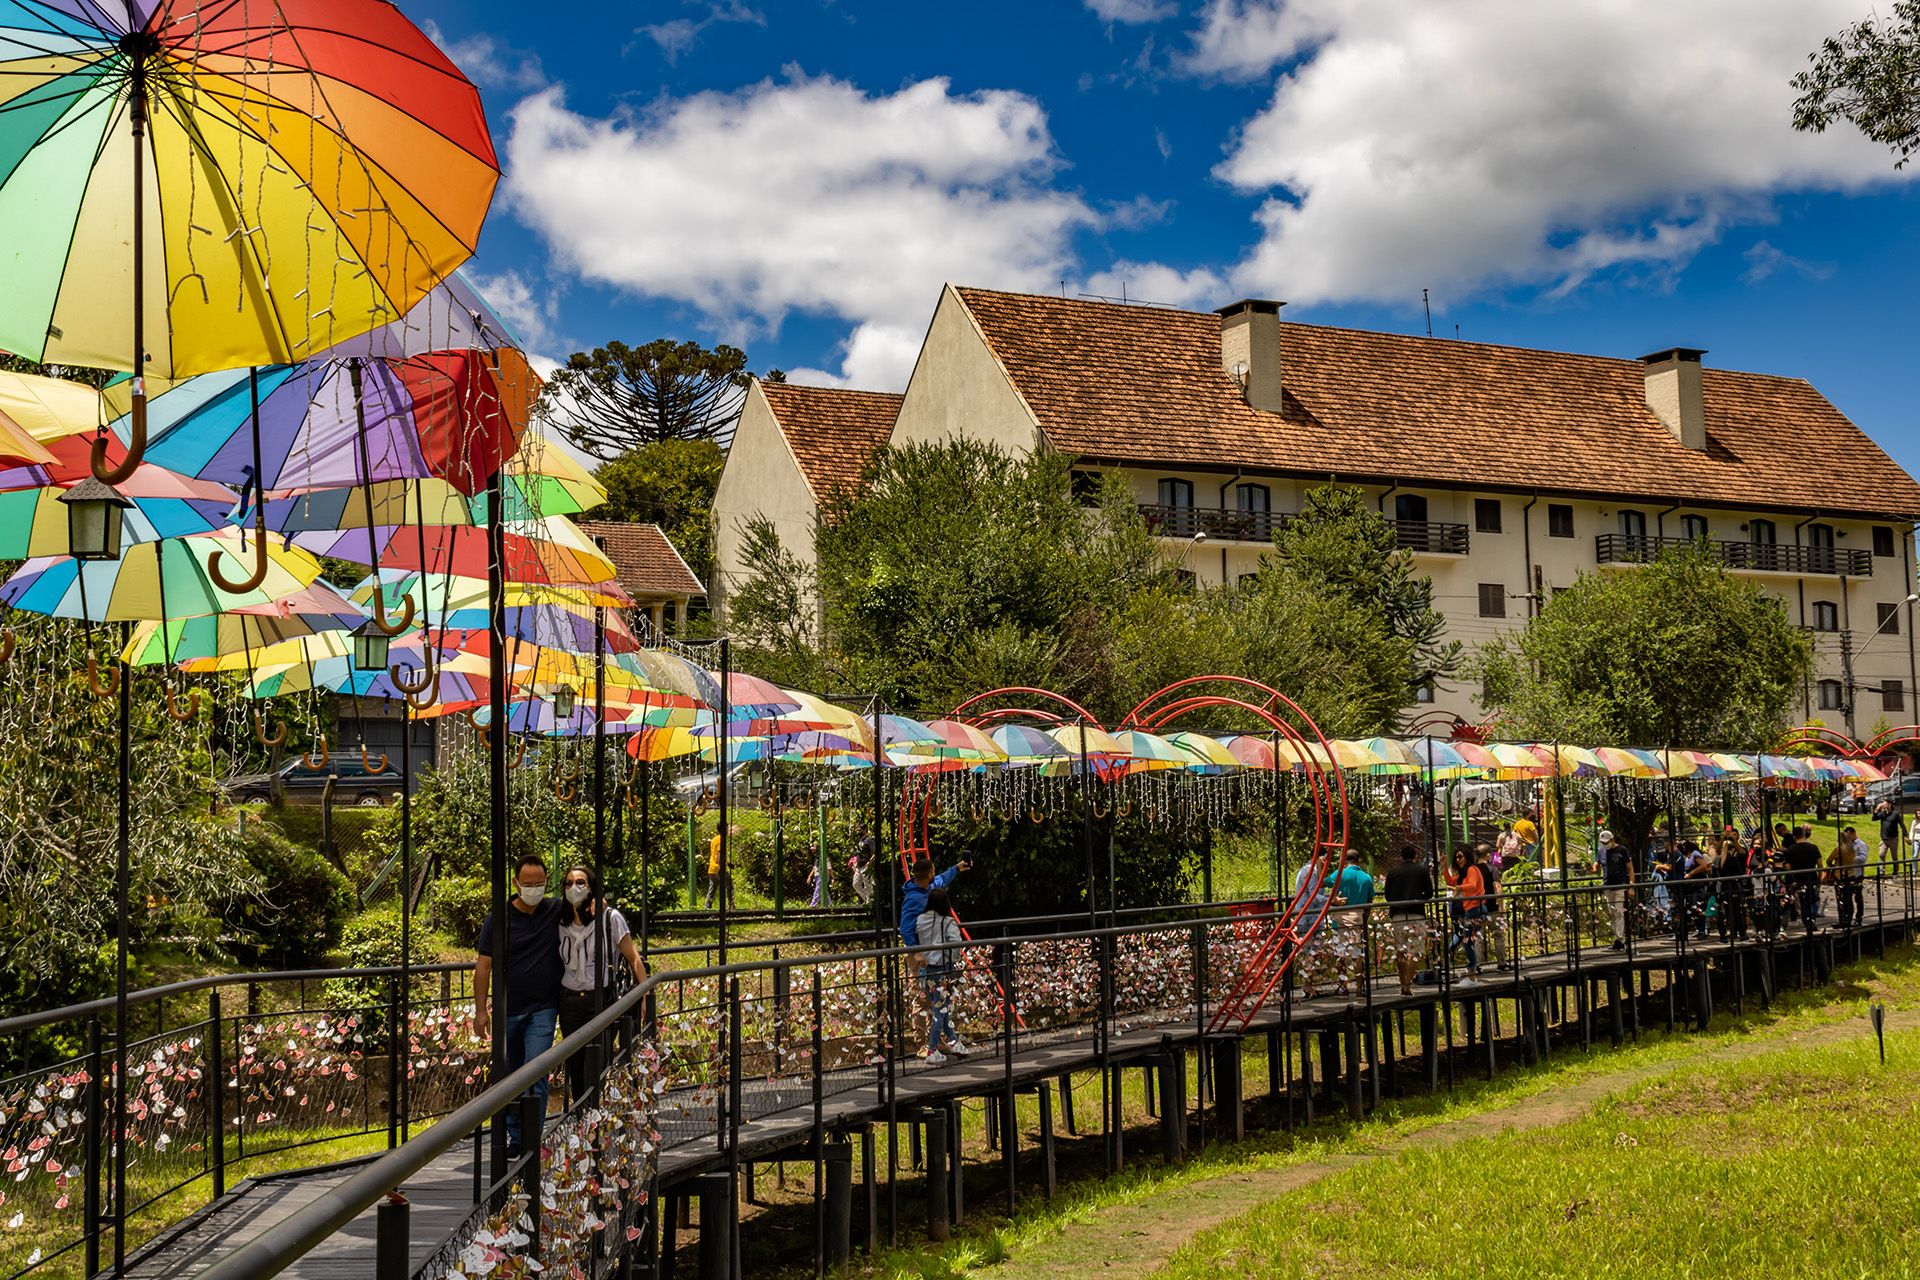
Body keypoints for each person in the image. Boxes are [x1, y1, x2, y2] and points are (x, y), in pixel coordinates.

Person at [473, 855, 564, 1156]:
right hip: (507, 1009)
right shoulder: (498, 920)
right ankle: (515, 1136)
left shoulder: (553, 910)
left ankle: (531, 1139)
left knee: (535, 1071)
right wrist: (481, 1010)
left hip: (543, 1007)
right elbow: (483, 967)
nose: (534, 890)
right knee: (509, 1075)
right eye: (528, 885)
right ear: (515, 884)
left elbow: (588, 906)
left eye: (540, 884)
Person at [555, 865, 646, 1105]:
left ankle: (595, 1119)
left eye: (581, 883)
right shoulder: (560, 920)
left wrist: (645, 994)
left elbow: (633, 956)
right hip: (570, 1002)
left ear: (592, 887)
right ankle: (580, 1122)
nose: (574, 888)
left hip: (600, 1001)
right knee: (574, 1065)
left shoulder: (609, 918)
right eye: (568, 883)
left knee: (598, 1064)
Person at [914, 887, 970, 1062]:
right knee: (940, 1010)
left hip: (925, 971)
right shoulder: (948, 922)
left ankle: (954, 1041)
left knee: (940, 1007)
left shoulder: (920, 919)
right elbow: (956, 945)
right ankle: (932, 1051)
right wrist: (953, 960)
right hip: (941, 970)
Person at [1382, 846, 1434, 995]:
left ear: (1401, 856)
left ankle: (1402, 982)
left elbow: (1387, 895)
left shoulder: (1392, 872)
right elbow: (1429, 892)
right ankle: (1408, 984)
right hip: (1416, 913)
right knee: (1414, 951)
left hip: (1398, 914)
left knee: (1400, 950)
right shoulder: (1422, 871)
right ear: (1415, 855)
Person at [900, 855, 971, 954]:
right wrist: (916, 954)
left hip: (934, 949)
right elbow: (906, 930)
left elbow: (941, 879)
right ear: (929, 875)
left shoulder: (928, 887)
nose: (935, 873)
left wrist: (957, 868)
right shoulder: (913, 899)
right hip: (924, 953)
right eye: (933, 871)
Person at [1442, 846, 1488, 981]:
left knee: (1467, 941)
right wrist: (1444, 867)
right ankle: (1451, 955)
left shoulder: (1472, 870)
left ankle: (1471, 968)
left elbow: (1473, 885)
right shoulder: (1463, 873)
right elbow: (1450, 882)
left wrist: (1459, 888)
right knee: (1464, 937)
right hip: (1469, 910)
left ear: (1467, 857)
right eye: (1456, 857)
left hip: (1476, 909)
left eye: (1460, 856)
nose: (1458, 859)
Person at [1473, 843, 1510, 970]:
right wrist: (1501, 906)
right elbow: (1498, 888)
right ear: (1488, 855)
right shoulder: (1493, 868)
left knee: (1478, 937)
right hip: (1493, 908)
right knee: (1498, 935)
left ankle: (1478, 965)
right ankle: (1501, 963)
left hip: (1477, 908)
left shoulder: (1473, 870)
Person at [1780, 825, 1823, 932]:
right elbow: (1820, 865)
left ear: (1794, 836)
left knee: (1804, 901)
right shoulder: (1813, 848)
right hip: (1812, 877)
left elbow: (1788, 868)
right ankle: (1812, 920)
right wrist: (1820, 878)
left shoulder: (1790, 850)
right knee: (1813, 899)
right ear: (1804, 834)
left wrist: (1793, 879)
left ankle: (1806, 921)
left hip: (1799, 879)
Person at [1600, 829, 1634, 949]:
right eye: (1603, 843)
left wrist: (1631, 886)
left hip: (1620, 885)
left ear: (1612, 840)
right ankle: (1616, 938)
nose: (1605, 845)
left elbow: (1630, 869)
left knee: (1619, 911)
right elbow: (1597, 863)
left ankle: (1619, 938)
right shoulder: (1601, 851)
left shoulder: (1622, 850)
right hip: (1608, 886)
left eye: (1606, 842)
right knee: (1612, 913)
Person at [1830, 824, 1869, 929]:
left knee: (1858, 897)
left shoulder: (1861, 845)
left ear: (1852, 834)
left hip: (1857, 874)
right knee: (1846, 898)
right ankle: (1845, 919)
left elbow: (1863, 859)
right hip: (1847, 875)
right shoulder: (1844, 847)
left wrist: (1850, 859)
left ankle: (1858, 918)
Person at [704, 824, 738, 909]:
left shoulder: (715, 839)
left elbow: (718, 854)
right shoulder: (721, 840)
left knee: (712, 888)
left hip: (712, 868)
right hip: (718, 868)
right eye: (727, 829)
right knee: (729, 885)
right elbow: (719, 854)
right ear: (724, 830)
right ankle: (731, 905)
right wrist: (721, 867)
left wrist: (728, 863)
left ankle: (707, 907)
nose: (728, 830)